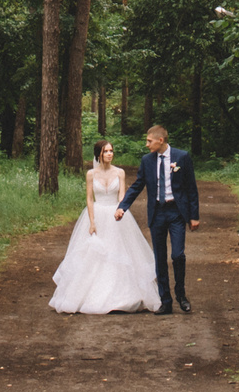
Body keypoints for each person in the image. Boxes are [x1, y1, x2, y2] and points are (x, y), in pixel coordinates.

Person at [48, 138, 160, 314]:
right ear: (99, 154)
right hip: (98, 214)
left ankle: (124, 296)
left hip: (116, 214)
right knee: (94, 254)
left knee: (120, 253)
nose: (109, 154)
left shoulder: (120, 172)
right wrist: (92, 222)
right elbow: (89, 198)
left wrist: (121, 211)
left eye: (111, 151)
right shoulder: (91, 174)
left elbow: (122, 196)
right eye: (106, 151)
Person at [113, 123, 199, 315]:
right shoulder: (147, 160)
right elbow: (137, 186)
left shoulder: (181, 157)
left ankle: (181, 295)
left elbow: (191, 188)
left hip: (176, 212)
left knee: (178, 255)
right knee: (159, 258)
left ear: (161, 140)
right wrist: (122, 207)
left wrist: (194, 216)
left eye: (149, 141)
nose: (146, 144)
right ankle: (165, 301)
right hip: (157, 213)